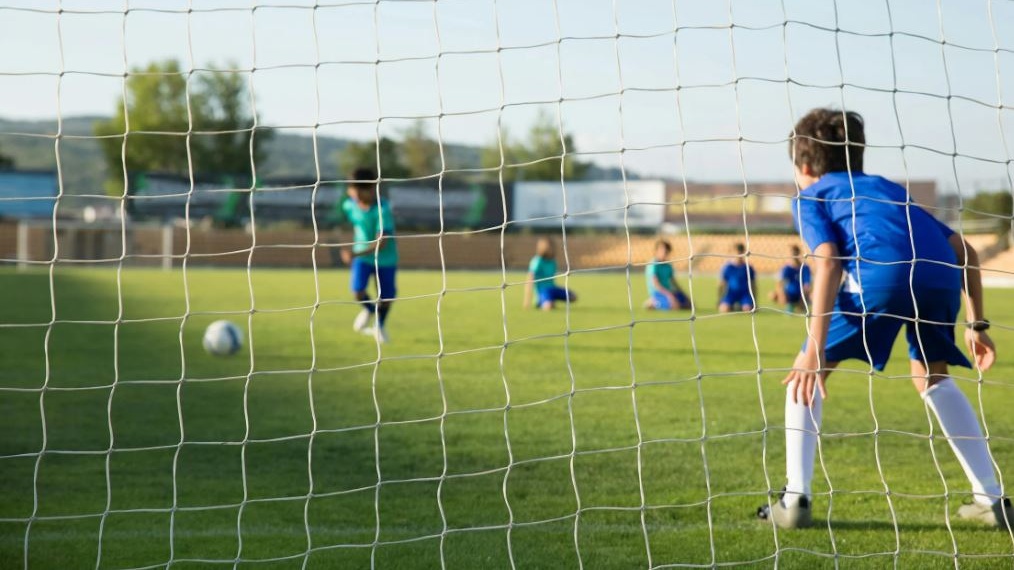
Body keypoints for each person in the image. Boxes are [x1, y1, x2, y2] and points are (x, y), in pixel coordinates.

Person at [757, 108, 1009, 529]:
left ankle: (795, 497)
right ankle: (992, 497)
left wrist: (813, 349)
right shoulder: (888, 189)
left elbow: (828, 259)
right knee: (932, 376)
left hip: (882, 276)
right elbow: (966, 251)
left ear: (802, 166)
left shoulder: (811, 196)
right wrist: (977, 324)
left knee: (807, 371)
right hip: (938, 275)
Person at [339, 167, 398, 343]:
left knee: (386, 297)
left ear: (370, 189)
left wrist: (355, 253)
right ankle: (370, 311)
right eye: (351, 189)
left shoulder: (382, 208)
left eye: (356, 190)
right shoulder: (349, 205)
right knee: (358, 291)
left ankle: (379, 326)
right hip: (363, 258)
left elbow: (382, 242)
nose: (352, 194)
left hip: (385, 258)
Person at [523, 237, 577, 311]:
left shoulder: (553, 261)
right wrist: (527, 299)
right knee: (548, 307)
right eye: (549, 247)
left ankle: (551, 299)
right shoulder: (537, 261)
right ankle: (542, 301)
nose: (551, 249)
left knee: (573, 297)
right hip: (543, 291)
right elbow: (530, 278)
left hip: (553, 288)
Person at [644, 239, 691, 310]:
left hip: (669, 291)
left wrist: (684, 294)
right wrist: (669, 295)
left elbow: (673, 281)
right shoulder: (653, 264)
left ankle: (659, 303)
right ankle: (653, 302)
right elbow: (656, 284)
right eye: (662, 250)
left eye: (666, 251)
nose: (664, 253)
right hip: (658, 293)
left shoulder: (668, 265)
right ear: (656, 251)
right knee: (675, 306)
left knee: (689, 305)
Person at [770, 244, 812, 313]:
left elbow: (807, 285)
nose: (793, 255)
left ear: (798, 253)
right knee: (772, 295)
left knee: (813, 296)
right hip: (789, 294)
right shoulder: (786, 268)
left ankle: (801, 305)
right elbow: (780, 283)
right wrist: (782, 293)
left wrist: (803, 296)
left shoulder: (805, 268)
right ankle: (789, 305)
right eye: (791, 253)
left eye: (794, 252)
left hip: (801, 294)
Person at [717, 242, 757, 313]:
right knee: (724, 309)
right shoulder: (727, 267)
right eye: (737, 253)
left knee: (748, 310)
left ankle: (740, 306)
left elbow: (753, 284)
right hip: (731, 293)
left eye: (741, 253)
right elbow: (721, 284)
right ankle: (733, 306)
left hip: (744, 294)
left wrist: (755, 300)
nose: (739, 256)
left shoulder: (748, 268)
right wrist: (719, 299)